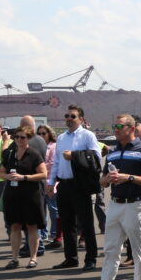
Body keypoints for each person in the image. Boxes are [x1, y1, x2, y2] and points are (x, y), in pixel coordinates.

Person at [83, 114, 141, 280]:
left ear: (131, 128)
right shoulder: (113, 153)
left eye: (119, 126)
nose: (115, 129)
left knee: (138, 251)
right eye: (114, 125)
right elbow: (101, 182)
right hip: (115, 205)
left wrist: (129, 177)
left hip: (136, 205)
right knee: (110, 251)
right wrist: (107, 179)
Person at [47, 104, 101, 270]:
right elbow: (56, 162)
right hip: (63, 184)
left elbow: (96, 158)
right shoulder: (62, 138)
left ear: (81, 119)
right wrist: (51, 182)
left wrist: (75, 156)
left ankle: (90, 258)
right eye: (67, 116)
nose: (69, 119)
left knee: (86, 223)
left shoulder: (87, 136)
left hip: (80, 185)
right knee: (66, 223)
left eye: (73, 116)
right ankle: (70, 258)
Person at [0, 127, 47, 269]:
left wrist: (24, 177)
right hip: (13, 195)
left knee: (31, 226)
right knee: (15, 226)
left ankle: (33, 257)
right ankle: (14, 258)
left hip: (31, 194)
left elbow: (43, 174)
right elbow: (1, 172)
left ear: (29, 139)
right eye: (17, 137)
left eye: (23, 137)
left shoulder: (34, 154)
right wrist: (7, 176)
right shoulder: (9, 154)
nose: (19, 140)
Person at [37, 125, 62, 250]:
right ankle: (42, 234)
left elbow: (52, 166)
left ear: (49, 134)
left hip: (50, 183)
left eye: (44, 133)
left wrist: (49, 183)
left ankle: (54, 235)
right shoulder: (36, 146)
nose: (41, 136)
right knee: (41, 210)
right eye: (39, 133)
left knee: (53, 210)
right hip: (38, 183)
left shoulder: (53, 146)